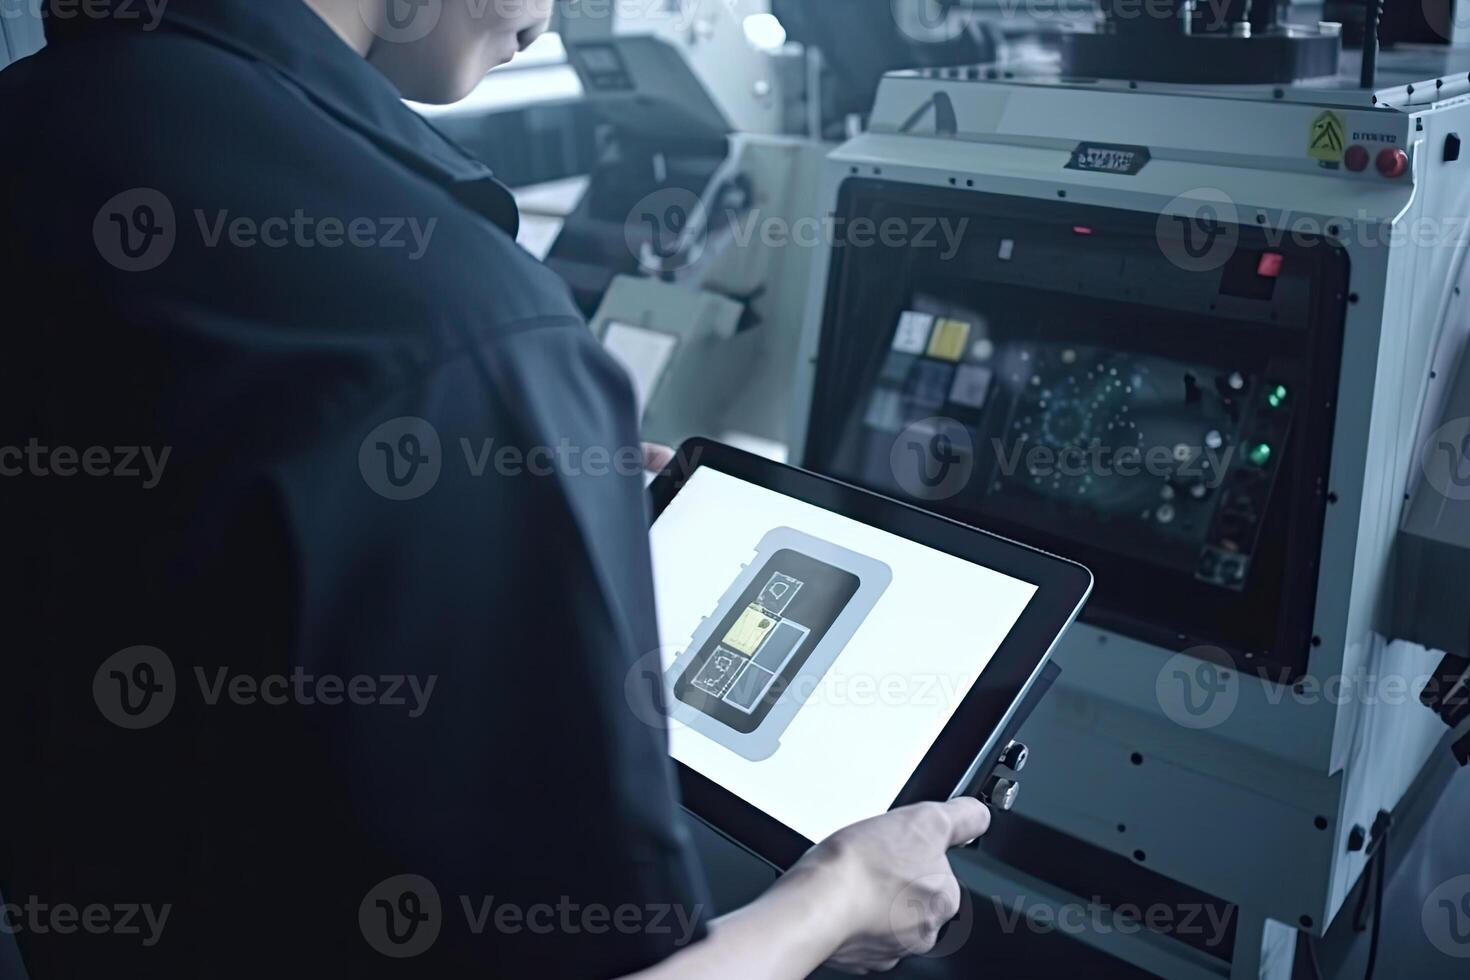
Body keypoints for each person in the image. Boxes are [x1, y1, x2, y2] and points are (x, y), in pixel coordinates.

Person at [0, 1, 989, 976]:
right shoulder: (468, 334)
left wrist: (513, 477)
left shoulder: (48, 110)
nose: (551, 22)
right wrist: (830, 902)